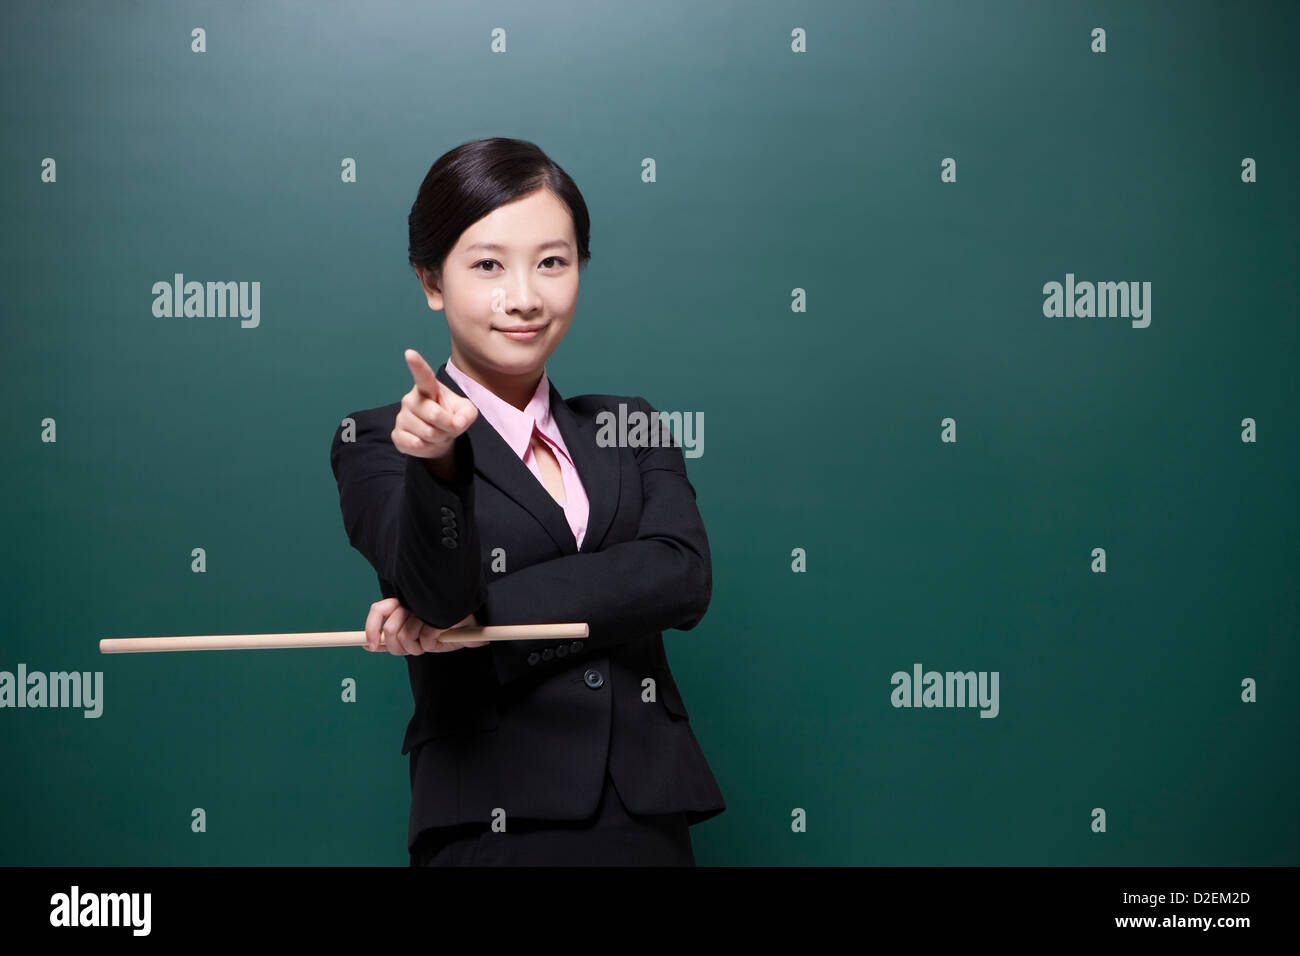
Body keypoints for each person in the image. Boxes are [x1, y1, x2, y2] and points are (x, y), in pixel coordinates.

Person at [329, 137, 725, 865]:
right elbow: (438, 594)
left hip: (647, 815)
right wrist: (439, 464)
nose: (524, 298)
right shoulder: (378, 439)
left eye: (552, 262)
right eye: (488, 265)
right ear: (431, 280)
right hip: (490, 820)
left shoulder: (627, 423)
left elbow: (682, 574)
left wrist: (480, 617)